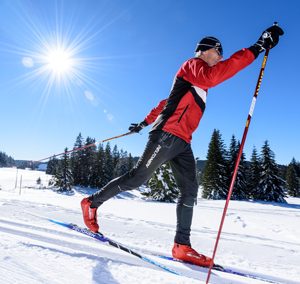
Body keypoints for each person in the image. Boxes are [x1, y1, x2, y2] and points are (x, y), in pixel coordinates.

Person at [81, 24, 284, 267]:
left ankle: (182, 246)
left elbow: (165, 103)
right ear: (206, 50)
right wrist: (257, 47)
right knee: (137, 179)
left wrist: (143, 123)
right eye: (218, 53)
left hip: (182, 142)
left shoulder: (197, 82)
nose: (220, 58)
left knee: (189, 190)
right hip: (166, 135)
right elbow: (216, 75)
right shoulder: (193, 66)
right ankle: (91, 203)